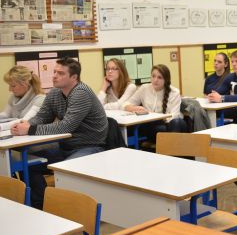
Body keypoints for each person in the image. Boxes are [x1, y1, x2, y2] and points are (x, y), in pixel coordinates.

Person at [11, 58, 107, 209]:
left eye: (61, 73)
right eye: (54, 72)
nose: (54, 76)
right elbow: (42, 117)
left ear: (74, 77)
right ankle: (41, 205)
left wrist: (29, 130)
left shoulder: (81, 93)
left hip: (90, 146)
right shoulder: (55, 92)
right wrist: (26, 124)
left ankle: (69, 210)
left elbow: (66, 127)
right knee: (28, 164)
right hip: (66, 145)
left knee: (67, 171)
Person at [124, 64, 187, 138]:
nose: (155, 80)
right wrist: (134, 108)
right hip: (152, 125)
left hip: (171, 124)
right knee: (158, 129)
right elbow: (125, 104)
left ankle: (171, 144)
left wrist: (159, 118)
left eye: (159, 77)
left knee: (176, 122)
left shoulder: (174, 92)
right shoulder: (144, 88)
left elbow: (174, 115)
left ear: (166, 80)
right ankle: (170, 144)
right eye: (153, 76)